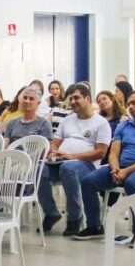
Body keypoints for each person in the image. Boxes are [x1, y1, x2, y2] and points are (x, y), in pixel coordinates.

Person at [76, 91, 135, 240]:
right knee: (88, 182)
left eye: (134, 102)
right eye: (129, 103)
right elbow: (113, 153)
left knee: (132, 184)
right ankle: (94, 226)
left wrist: (126, 171)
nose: (130, 106)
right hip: (120, 168)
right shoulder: (124, 125)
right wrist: (115, 169)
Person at [39, 84, 112, 236]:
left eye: (76, 98)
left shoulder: (101, 123)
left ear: (87, 98)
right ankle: (51, 213)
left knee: (69, 168)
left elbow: (100, 152)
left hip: (87, 165)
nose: (72, 102)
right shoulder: (67, 120)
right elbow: (56, 142)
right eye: (70, 99)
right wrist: (53, 151)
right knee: (39, 169)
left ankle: (75, 217)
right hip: (61, 161)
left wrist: (72, 157)